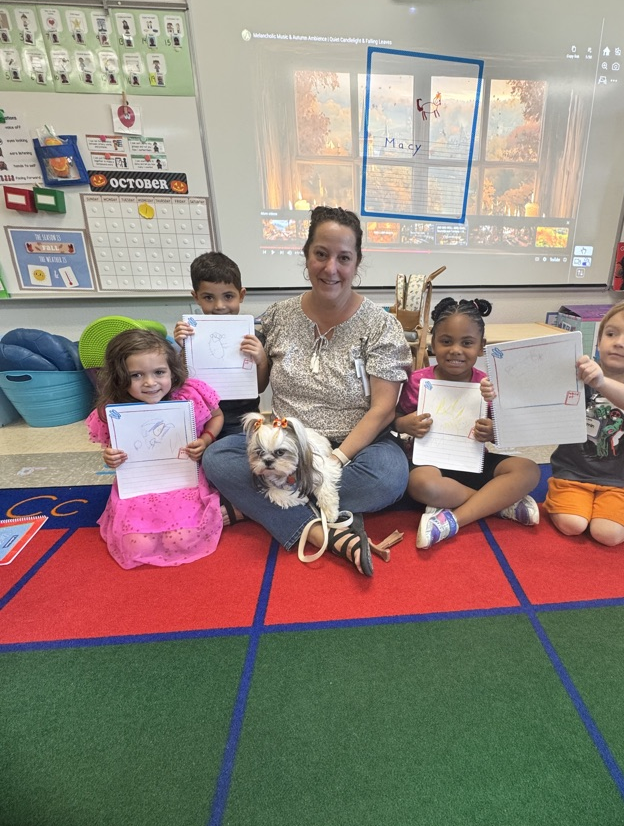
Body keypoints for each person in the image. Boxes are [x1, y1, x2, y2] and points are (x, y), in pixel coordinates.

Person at [202, 205, 412, 576]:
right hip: (284, 443)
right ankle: (318, 530)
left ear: (357, 262)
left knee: (390, 477)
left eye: (343, 258)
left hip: (357, 446)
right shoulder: (277, 316)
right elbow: (256, 383)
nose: (331, 268)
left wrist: (335, 460)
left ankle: (257, 504)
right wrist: (194, 339)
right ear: (306, 255)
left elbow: (383, 409)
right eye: (321, 254)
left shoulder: (382, 326)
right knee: (218, 456)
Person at [394, 297, 541, 549]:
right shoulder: (417, 381)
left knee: (529, 470)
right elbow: (392, 419)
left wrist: (493, 432)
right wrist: (404, 424)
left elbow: (507, 432)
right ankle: (499, 505)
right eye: (446, 341)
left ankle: (454, 519)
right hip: (431, 465)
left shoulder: (487, 384)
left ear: (481, 347)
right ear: (433, 342)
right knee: (419, 485)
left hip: (474, 460)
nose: (456, 350)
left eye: (467, 343)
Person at [86, 328, 224, 569]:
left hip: (182, 481)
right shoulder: (115, 410)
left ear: (172, 370)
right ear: (120, 376)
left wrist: (206, 440)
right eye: (136, 375)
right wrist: (110, 457)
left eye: (159, 372)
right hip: (139, 488)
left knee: (182, 538)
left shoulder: (188, 396)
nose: (150, 383)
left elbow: (217, 416)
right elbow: (112, 448)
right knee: (137, 545)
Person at [545, 298, 624, 546]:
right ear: (599, 339)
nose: (619, 342)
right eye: (611, 333)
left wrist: (601, 383)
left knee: (608, 534)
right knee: (573, 525)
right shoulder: (580, 368)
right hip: (573, 472)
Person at [173, 252, 268, 437]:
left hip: (242, 420)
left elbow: (260, 388)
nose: (219, 306)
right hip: (202, 418)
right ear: (196, 297)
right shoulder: (190, 336)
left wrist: (262, 360)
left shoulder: (253, 337)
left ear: (241, 295)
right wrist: (184, 348)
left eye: (228, 296)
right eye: (208, 297)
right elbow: (180, 382)